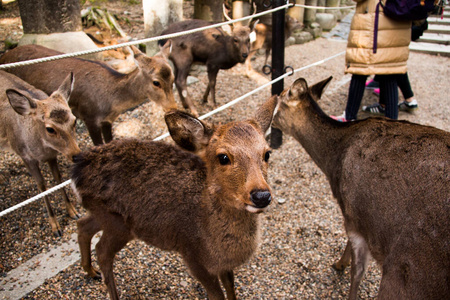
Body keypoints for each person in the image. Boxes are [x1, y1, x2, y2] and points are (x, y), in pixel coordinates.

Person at [332, 0, 412, 122]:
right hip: (397, 21)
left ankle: (349, 117)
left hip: (374, 22)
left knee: (360, 67)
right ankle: (392, 125)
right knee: (389, 70)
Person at [362, 19, 428, 115]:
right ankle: (406, 100)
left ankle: (387, 106)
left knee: (392, 62)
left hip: (403, 23)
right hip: (413, 21)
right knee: (394, 60)